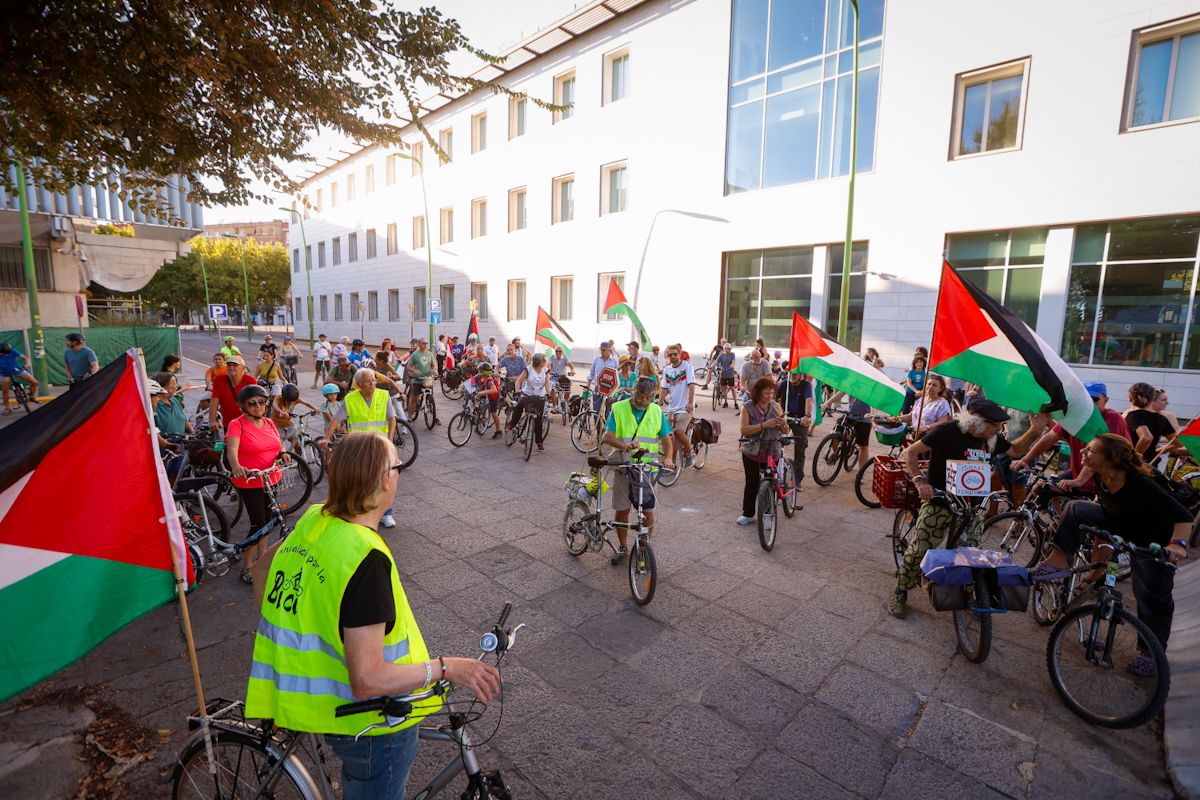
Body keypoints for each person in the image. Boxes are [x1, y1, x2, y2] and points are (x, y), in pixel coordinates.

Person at [243, 431, 501, 800]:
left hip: (323, 707)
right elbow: (367, 679)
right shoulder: (366, 559)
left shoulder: (316, 518)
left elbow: (260, 572)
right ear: (385, 478)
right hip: (371, 727)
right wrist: (448, 667)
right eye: (397, 466)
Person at [1029, 434, 1190, 675]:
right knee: (1076, 508)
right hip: (1123, 523)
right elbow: (1104, 503)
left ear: (1111, 458)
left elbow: (1183, 516)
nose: (1083, 452)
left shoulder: (1140, 482)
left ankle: (1150, 654)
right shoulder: (1099, 475)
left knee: (1150, 598)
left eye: (1091, 450)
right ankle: (1056, 563)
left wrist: (1177, 545)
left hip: (1154, 540)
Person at [889, 399, 1048, 618]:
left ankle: (969, 594)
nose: (998, 429)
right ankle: (901, 591)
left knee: (971, 555)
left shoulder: (990, 439)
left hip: (972, 506)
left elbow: (1016, 450)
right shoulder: (949, 431)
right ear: (976, 420)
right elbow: (911, 452)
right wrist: (920, 481)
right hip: (940, 500)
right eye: (993, 424)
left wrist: (1035, 430)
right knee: (920, 549)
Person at [601, 376, 675, 563]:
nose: (643, 400)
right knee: (622, 509)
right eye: (640, 396)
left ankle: (643, 546)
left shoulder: (657, 411)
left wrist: (667, 458)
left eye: (648, 397)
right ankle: (623, 546)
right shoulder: (619, 409)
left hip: (646, 471)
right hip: (624, 468)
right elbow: (607, 437)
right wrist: (625, 446)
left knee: (648, 511)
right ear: (633, 391)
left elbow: (667, 440)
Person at [1017, 382, 1131, 493]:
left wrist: (1079, 480)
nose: (1090, 404)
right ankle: (1059, 513)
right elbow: (1050, 437)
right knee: (1040, 488)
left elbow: (1101, 453)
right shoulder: (1075, 415)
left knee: (1078, 509)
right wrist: (1026, 459)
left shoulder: (1113, 419)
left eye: (1094, 400)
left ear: (1106, 400)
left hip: (1104, 477)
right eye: (1086, 400)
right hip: (1077, 472)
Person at [225, 384, 286, 583]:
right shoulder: (237, 424)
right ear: (242, 405)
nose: (258, 406)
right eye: (252, 403)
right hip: (250, 480)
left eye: (262, 402)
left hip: (271, 477)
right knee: (258, 523)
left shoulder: (269, 422)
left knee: (268, 521)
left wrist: (283, 453)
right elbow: (231, 449)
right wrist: (236, 466)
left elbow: (279, 443)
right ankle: (248, 565)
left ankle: (263, 559)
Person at [327, 368, 399, 527]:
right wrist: (327, 439)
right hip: (359, 447)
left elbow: (392, 419)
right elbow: (335, 420)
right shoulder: (350, 399)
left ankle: (386, 514)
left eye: (374, 380)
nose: (373, 383)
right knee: (362, 478)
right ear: (359, 384)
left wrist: (391, 439)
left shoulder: (383, 395)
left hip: (381, 445)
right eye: (369, 381)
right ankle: (362, 511)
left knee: (385, 478)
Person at [737, 376, 790, 525]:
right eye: (767, 393)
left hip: (772, 451)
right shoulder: (748, 407)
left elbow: (785, 430)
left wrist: (782, 425)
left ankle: (768, 515)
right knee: (751, 483)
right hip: (752, 452)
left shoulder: (775, 406)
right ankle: (748, 514)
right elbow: (744, 429)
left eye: (772, 393)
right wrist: (763, 425)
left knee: (769, 484)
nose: (770, 396)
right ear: (758, 392)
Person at [1125, 382, 1185, 467]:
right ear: (1152, 398)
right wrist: (1160, 450)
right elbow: (1179, 443)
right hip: (1152, 464)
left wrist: (1136, 458)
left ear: (1130, 398)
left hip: (1136, 467)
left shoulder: (1134, 415)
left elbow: (1147, 438)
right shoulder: (1161, 418)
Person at [662, 344, 697, 469]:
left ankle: (689, 454)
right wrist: (659, 402)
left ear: (679, 354)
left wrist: (690, 403)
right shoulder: (667, 370)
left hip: (685, 407)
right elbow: (665, 388)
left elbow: (692, 385)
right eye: (670, 354)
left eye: (675, 354)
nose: (672, 356)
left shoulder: (687, 366)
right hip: (672, 407)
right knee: (668, 435)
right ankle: (671, 462)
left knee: (678, 432)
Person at [778, 369, 814, 488]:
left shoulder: (806, 385)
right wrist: (778, 413)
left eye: (795, 373)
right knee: (775, 442)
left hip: (800, 419)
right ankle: (774, 471)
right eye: (791, 373)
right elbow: (774, 399)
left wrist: (807, 416)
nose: (792, 376)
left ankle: (797, 478)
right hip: (785, 417)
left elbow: (808, 400)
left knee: (800, 447)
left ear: (801, 375)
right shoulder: (784, 384)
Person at [509, 353, 551, 451]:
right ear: (540, 362)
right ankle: (512, 423)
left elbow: (547, 382)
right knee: (520, 405)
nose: (546, 362)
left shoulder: (545, 371)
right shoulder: (529, 369)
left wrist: (548, 392)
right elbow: (518, 381)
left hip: (539, 396)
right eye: (544, 360)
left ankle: (539, 442)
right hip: (527, 394)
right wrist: (517, 390)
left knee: (538, 420)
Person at [210, 355, 258, 432]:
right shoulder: (219, 380)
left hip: (247, 423)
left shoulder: (250, 381)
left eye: (235, 365)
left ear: (243, 368)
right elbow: (214, 401)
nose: (231, 367)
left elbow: (256, 404)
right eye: (229, 365)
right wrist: (212, 421)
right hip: (228, 423)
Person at [271, 383, 320, 451]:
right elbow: (274, 404)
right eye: (288, 401)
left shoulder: (295, 399)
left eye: (292, 401)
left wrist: (315, 408)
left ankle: (299, 459)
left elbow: (306, 403)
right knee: (281, 448)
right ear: (283, 396)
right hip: (277, 426)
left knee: (297, 445)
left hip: (288, 424)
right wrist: (280, 411)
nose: (290, 403)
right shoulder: (278, 398)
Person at [0, 342, 40, 412]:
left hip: (16, 369)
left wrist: (28, 363)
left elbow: (25, 358)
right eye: (4, 354)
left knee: (35, 382)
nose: (7, 355)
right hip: (4, 373)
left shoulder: (12, 351)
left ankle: (31, 396)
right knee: (5, 389)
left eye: (8, 353)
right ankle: (7, 407)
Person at [406, 338, 437, 424]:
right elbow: (409, 366)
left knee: (431, 397)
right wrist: (414, 370)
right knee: (413, 399)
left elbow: (433, 365)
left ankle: (433, 414)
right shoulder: (415, 354)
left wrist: (434, 370)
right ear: (419, 344)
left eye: (426, 343)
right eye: (423, 343)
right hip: (417, 380)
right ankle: (409, 417)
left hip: (427, 380)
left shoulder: (430, 354)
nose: (425, 345)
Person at [471, 362, 504, 438]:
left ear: (484, 372)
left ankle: (498, 431)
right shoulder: (479, 376)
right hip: (485, 396)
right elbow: (470, 381)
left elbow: (494, 390)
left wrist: (482, 392)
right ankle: (480, 420)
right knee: (479, 406)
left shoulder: (489, 380)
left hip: (493, 397)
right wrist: (462, 387)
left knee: (493, 413)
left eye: (479, 371)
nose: (478, 372)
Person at [586, 342, 619, 413]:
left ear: (609, 350)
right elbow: (591, 373)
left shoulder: (615, 361)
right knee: (595, 411)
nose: (602, 352)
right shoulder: (596, 359)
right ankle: (597, 424)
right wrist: (588, 384)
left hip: (609, 389)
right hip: (598, 388)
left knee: (608, 411)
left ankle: (606, 424)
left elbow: (617, 376)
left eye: (604, 350)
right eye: (601, 350)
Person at [548, 346, 574, 413]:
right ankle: (555, 407)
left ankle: (565, 403)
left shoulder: (565, 357)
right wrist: (549, 370)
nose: (558, 353)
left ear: (562, 352)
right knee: (553, 387)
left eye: (560, 351)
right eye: (556, 351)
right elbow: (549, 365)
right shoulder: (552, 357)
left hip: (563, 377)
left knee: (568, 386)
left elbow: (570, 364)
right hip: (554, 377)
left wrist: (572, 370)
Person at [716, 343, 738, 409]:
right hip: (723, 374)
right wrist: (711, 366)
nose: (729, 350)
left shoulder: (732, 354)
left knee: (732, 388)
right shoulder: (721, 355)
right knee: (724, 389)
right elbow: (716, 361)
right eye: (728, 349)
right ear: (725, 349)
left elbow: (733, 362)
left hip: (730, 374)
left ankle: (735, 403)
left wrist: (729, 367)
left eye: (730, 348)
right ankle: (725, 402)